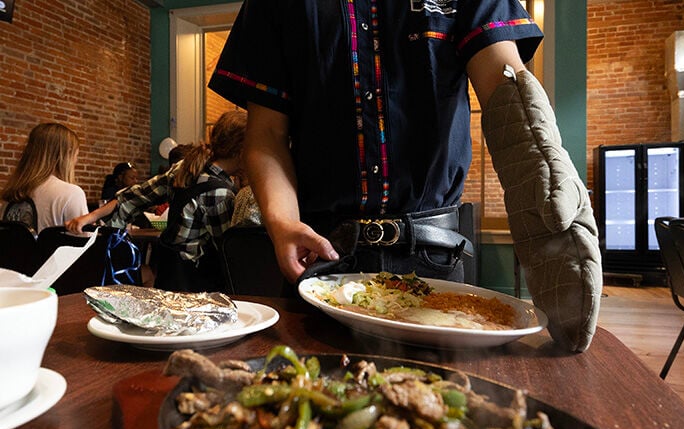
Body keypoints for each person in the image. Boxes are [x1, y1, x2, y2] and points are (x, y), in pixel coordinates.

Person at [210, 2, 602, 352]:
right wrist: (282, 221)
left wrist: (548, 195)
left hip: (436, 263)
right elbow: (267, 135)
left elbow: (508, 96)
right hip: (322, 259)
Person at [65, 111, 247, 292]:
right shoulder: (220, 193)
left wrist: (90, 217)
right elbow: (230, 257)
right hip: (197, 290)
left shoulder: (185, 167)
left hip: (168, 278)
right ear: (241, 150)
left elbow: (133, 196)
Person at [0, 122, 88, 234]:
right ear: (67, 154)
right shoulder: (72, 193)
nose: (76, 161)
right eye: (76, 155)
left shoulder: (10, 195)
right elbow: (87, 244)